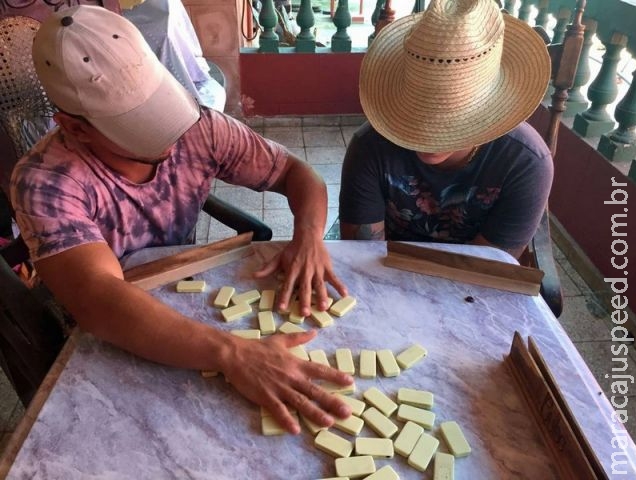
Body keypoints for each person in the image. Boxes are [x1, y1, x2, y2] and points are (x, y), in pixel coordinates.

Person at [9, 5, 352, 434]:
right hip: (112, 330)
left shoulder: (199, 127)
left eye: (159, 108)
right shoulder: (45, 182)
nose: (171, 139)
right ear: (75, 128)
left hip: (185, 292)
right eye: (137, 130)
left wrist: (308, 236)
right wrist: (234, 354)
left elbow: (297, 175)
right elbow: (98, 300)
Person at [339, 0, 554, 259]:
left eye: (449, 118)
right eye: (416, 110)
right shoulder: (369, 147)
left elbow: (487, 267)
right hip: (386, 267)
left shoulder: (525, 162)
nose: (426, 136)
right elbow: (364, 255)